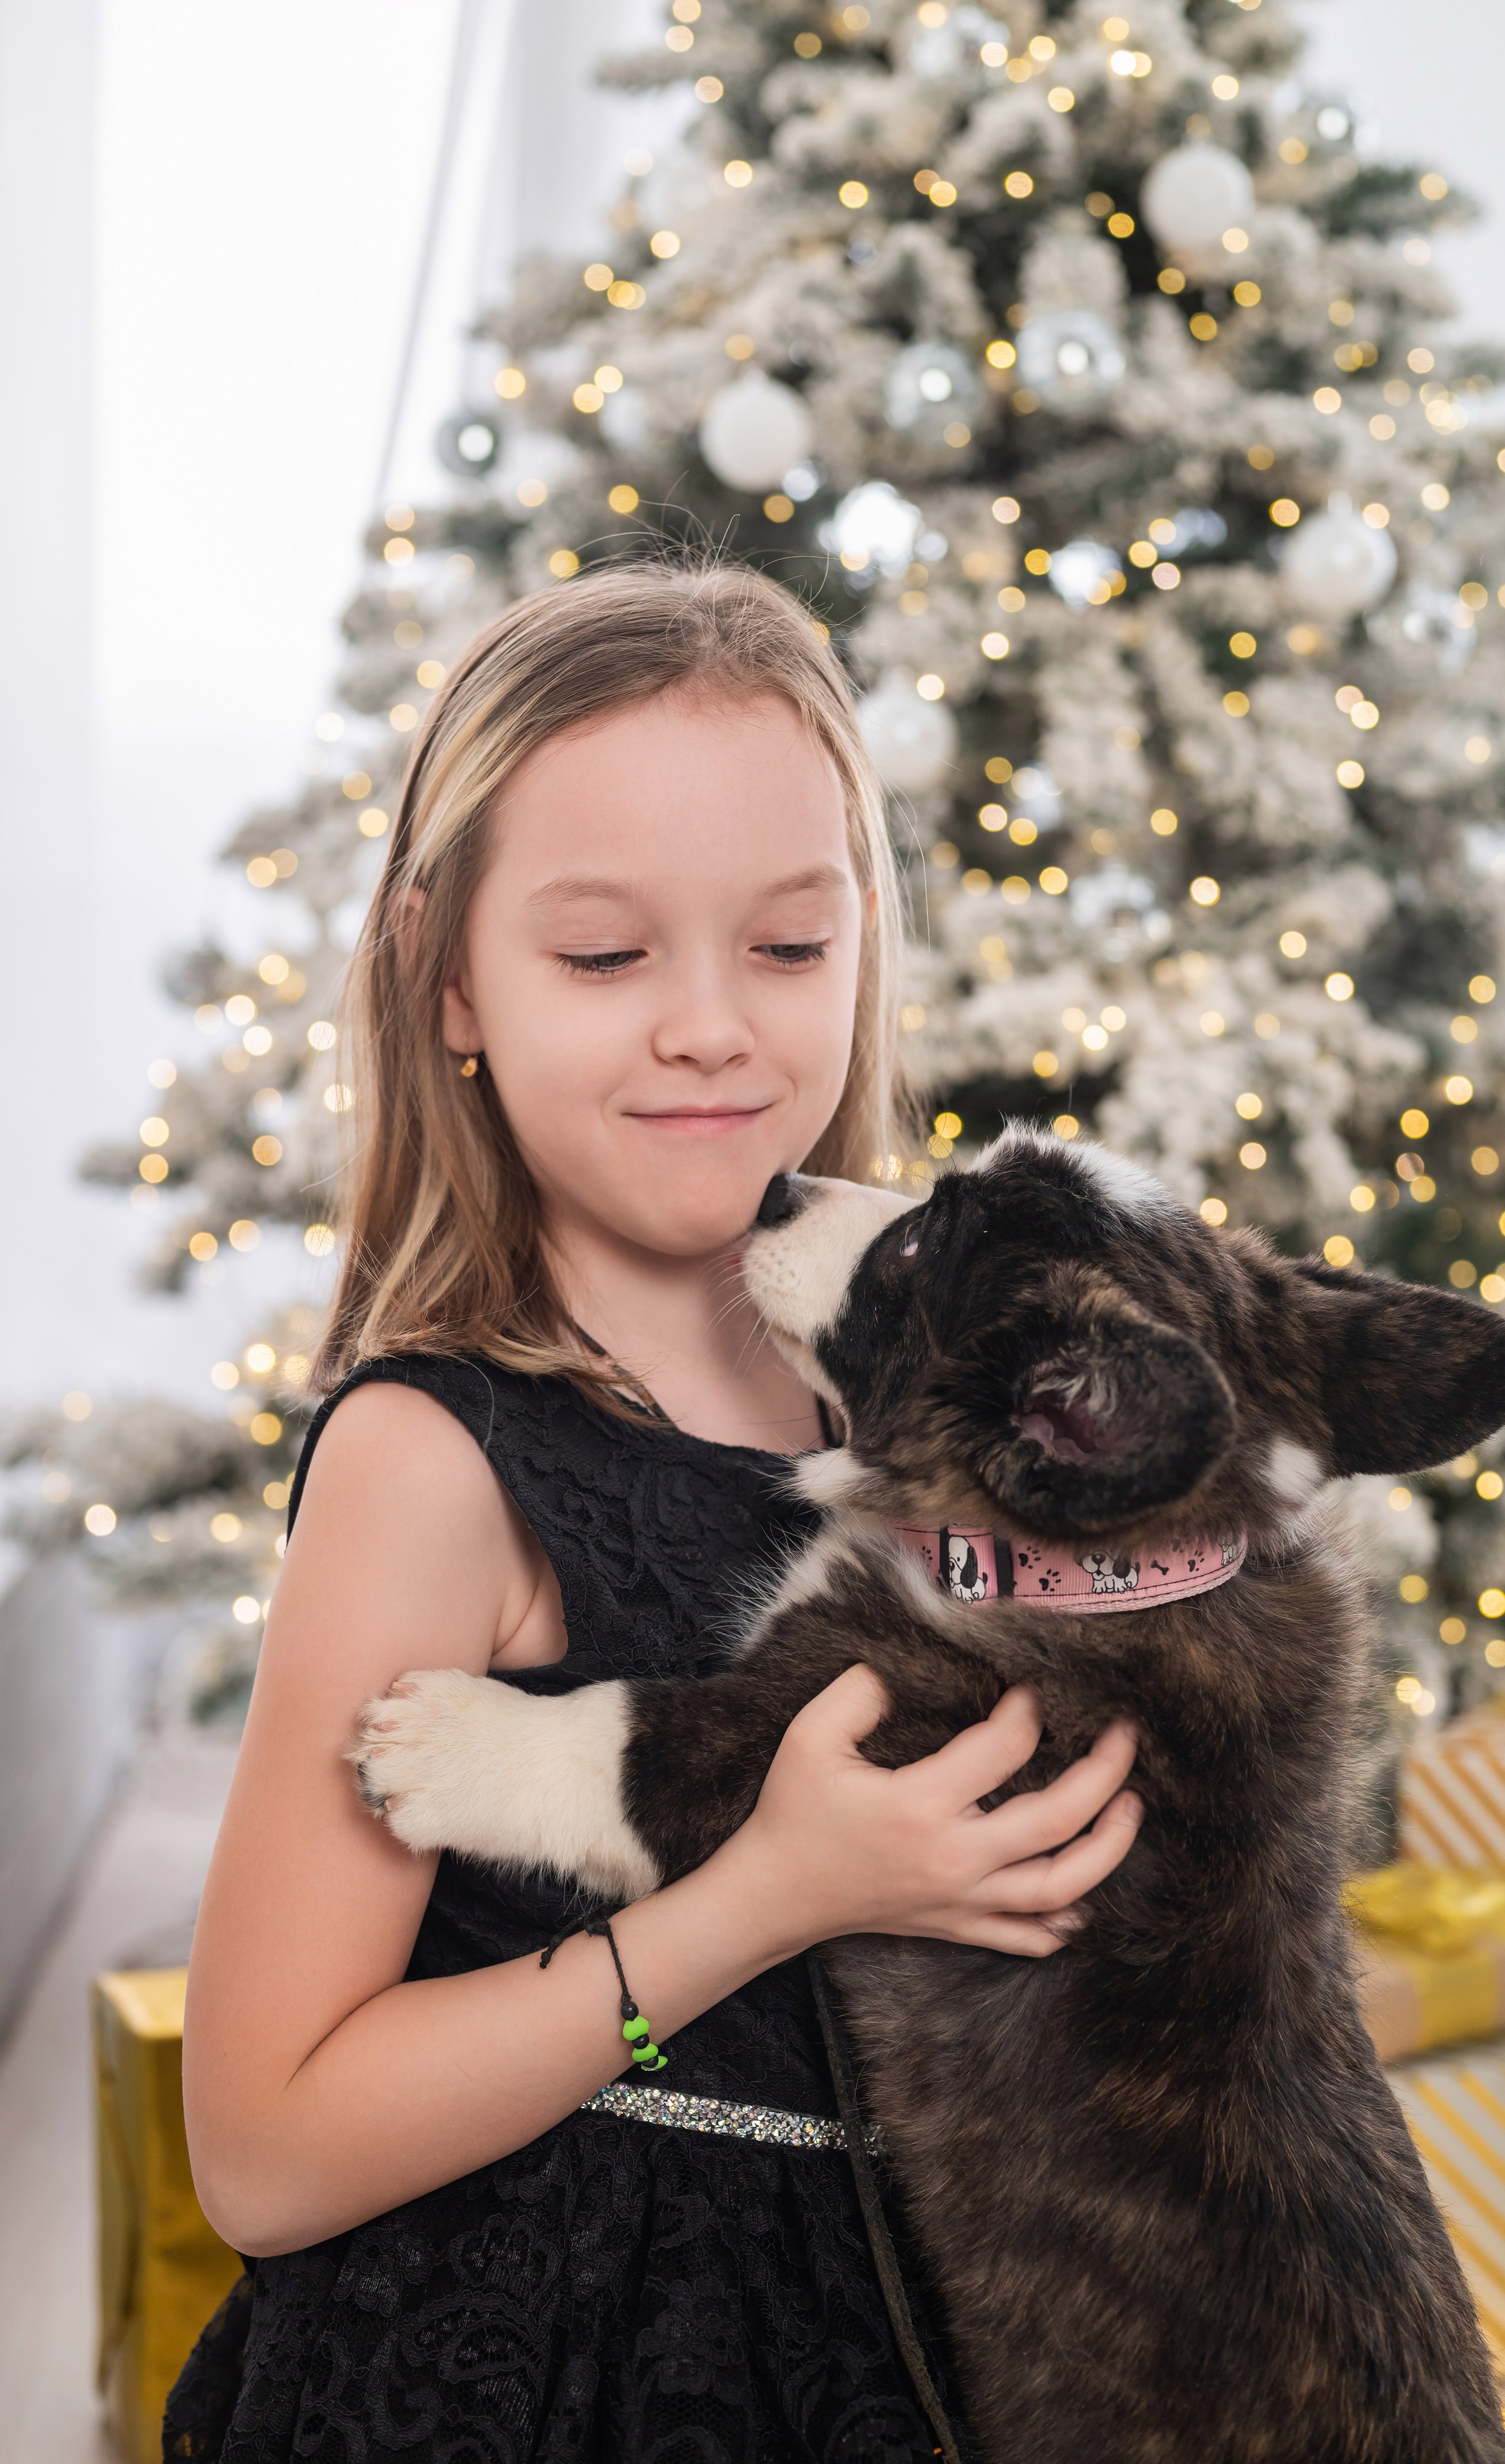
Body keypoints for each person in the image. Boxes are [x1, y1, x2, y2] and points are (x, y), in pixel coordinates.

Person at [166, 558, 1144, 2463]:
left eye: (788, 946)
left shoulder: (924, 1413)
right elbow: (264, 2147)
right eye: (606, 958)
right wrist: (762, 1895)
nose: (712, 1027)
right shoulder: (435, 1461)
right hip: (551, 2373)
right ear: (450, 980)